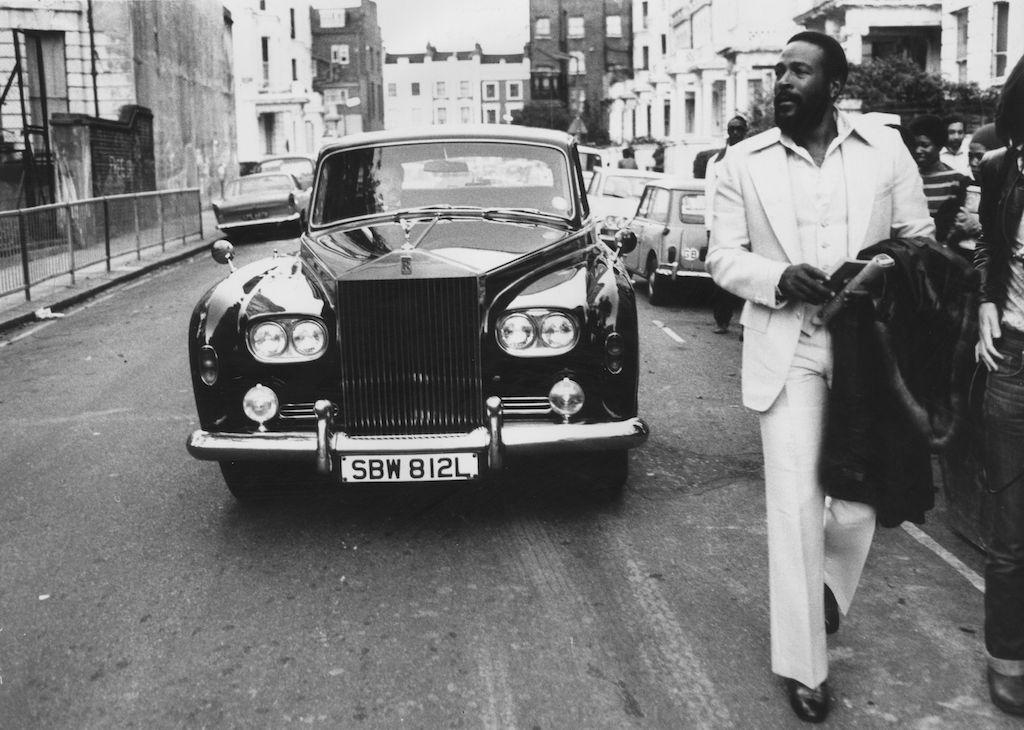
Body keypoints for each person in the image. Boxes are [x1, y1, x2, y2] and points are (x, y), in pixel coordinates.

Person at [706, 31, 934, 723]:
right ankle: (806, 667)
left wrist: (876, 272)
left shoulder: (883, 150)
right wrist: (778, 277)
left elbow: (919, 238)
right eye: (778, 71)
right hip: (790, 345)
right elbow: (722, 257)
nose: (783, 81)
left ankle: (828, 586)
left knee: (861, 497)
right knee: (795, 507)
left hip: (866, 347)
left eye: (799, 71)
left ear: (833, 85)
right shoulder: (739, 163)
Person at [974, 51, 1024, 718]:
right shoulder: (1001, 170)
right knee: (1011, 534)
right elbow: (989, 243)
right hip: (1013, 363)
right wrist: (986, 300)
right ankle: (1007, 659)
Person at [704, 115, 749, 334]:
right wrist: (709, 227)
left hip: (749, 226)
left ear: (746, 131)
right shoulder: (716, 161)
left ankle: (746, 325)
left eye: (740, 129)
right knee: (722, 277)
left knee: (748, 277)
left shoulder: (753, 158)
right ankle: (722, 320)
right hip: (720, 226)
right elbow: (709, 195)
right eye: (732, 129)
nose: (735, 133)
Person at [909, 114, 972, 246]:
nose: (918, 150)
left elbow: (962, 224)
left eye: (924, 145)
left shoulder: (958, 180)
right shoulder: (908, 177)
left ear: (938, 146)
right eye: (914, 145)